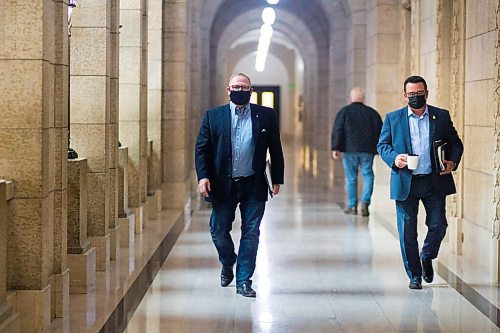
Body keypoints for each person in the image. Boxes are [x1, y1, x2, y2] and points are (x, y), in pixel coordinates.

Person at [195, 73, 285, 297]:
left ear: (251, 90)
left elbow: (275, 148)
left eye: (244, 87)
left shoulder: (266, 115)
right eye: (236, 87)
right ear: (228, 90)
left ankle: (244, 280)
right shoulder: (213, 116)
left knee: (251, 233)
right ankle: (228, 261)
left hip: (253, 184)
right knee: (218, 231)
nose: (240, 90)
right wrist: (203, 176)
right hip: (222, 184)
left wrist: (277, 178)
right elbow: (202, 149)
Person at [377, 75, 463, 290]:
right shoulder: (393, 118)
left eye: (419, 93)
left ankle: (426, 256)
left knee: (439, 225)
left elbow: (456, 143)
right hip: (406, 182)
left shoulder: (440, 116)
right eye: (411, 94)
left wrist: (452, 161)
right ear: (405, 96)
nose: (416, 97)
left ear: (426, 93)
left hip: (433, 182)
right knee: (407, 231)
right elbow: (383, 146)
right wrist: (394, 158)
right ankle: (415, 275)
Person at [331, 87, 382, 216]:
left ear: (350, 99)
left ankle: (352, 204)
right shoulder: (372, 113)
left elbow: (338, 130)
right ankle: (365, 202)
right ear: (364, 99)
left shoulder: (344, 112)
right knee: (368, 175)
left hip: (349, 150)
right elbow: (380, 131)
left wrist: (336, 148)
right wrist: (379, 149)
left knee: (351, 178)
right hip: (367, 151)